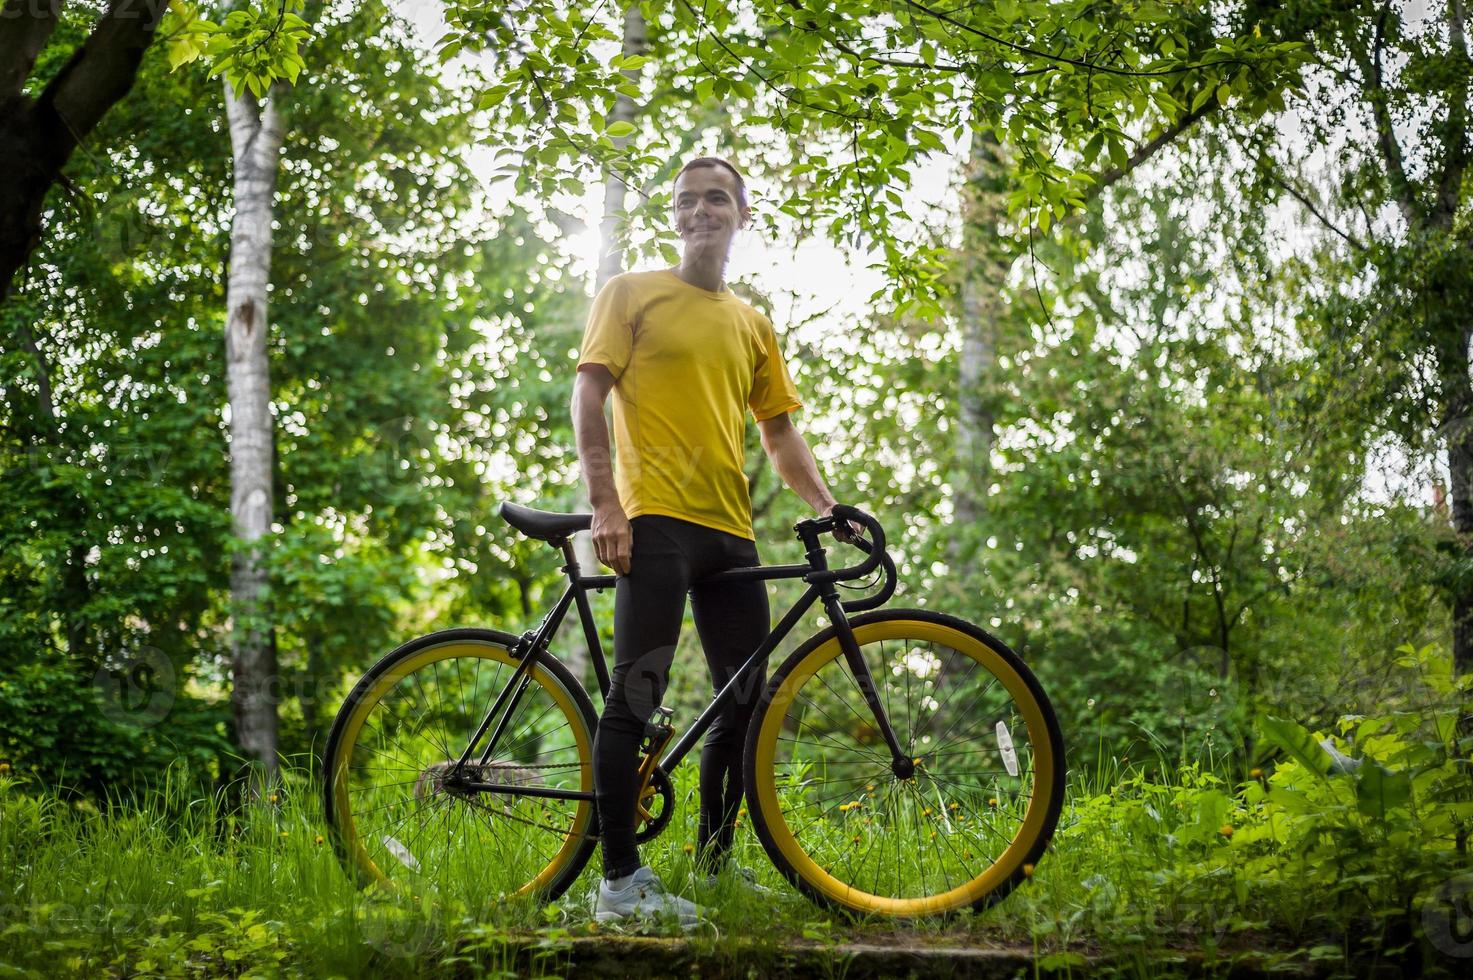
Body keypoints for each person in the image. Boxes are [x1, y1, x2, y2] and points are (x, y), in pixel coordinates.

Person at [571, 157, 851, 925]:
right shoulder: (629, 293)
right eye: (687, 200)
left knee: (745, 701)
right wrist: (606, 505)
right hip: (653, 517)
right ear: (673, 216)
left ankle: (716, 866)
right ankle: (618, 884)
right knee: (637, 693)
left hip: (729, 531)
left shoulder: (751, 322)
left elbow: (779, 431)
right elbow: (588, 392)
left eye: (716, 198)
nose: (701, 210)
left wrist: (828, 505)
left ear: (741, 215)